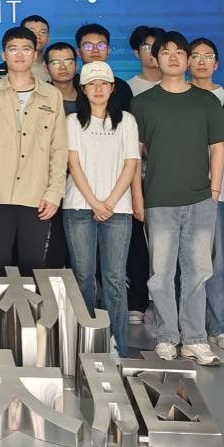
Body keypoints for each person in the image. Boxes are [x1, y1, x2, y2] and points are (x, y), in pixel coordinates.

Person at [131, 31, 224, 366]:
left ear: (187, 59)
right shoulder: (143, 102)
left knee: (198, 271)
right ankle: (166, 336)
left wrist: (214, 191)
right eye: (166, 52)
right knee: (160, 273)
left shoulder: (206, 101)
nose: (173, 57)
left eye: (179, 52)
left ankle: (194, 339)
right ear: (155, 58)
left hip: (201, 200)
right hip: (159, 200)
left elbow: (217, 148)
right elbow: (137, 154)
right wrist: (139, 197)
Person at [0, 26, 67, 311]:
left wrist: (54, 191)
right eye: (13, 49)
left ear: (35, 54)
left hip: (37, 195)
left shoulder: (51, 96)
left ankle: (26, 328)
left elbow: (59, 148)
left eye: (26, 49)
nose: (19, 54)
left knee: (32, 265)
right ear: (3, 55)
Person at [63, 62, 139, 356]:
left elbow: (131, 164)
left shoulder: (126, 121)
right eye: (92, 84)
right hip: (79, 207)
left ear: (112, 88)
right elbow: (73, 164)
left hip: (118, 209)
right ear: (83, 89)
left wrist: (110, 202)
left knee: (114, 278)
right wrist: (95, 202)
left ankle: (116, 343)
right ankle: (84, 342)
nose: (98, 89)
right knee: (83, 275)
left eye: (103, 83)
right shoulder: (73, 121)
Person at [187, 37, 224, 350]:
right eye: (196, 56)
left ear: (216, 63)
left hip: (220, 193)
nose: (202, 62)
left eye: (208, 57)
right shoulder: (176, 95)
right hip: (180, 192)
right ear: (187, 62)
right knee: (183, 262)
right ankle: (188, 326)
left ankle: (220, 326)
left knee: (217, 261)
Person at [124, 25, 163, 325]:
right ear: (137, 52)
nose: (154, 53)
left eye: (160, 47)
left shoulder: (181, 88)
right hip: (134, 179)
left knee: (168, 246)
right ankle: (136, 301)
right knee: (137, 244)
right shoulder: (127, 90)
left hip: (168, 180)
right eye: (148, 47)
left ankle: (166, 306)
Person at [75, 24, 133, 112]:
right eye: (88, 46)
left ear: (108, 50)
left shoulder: (121, 87)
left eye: (101, 46)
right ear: (78, 52)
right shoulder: (71, 85)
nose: (95, 50)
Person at [0, 15, 50, 82]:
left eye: (43, 32)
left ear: (48, 39)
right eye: (32, 32)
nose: (37, 36)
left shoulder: (53, 66)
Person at [128, 26, 165, 96]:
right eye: (147, 48)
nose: (153, 52)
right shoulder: (127, 87)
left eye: (157, 46)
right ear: (137, 53)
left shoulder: (177, 84)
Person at [44, 42, 80, 115]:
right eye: (55, 63)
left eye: (68, 62)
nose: (63, 67)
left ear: (76, 66)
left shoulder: (89, 95)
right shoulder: (40, 98)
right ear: (46, 68)